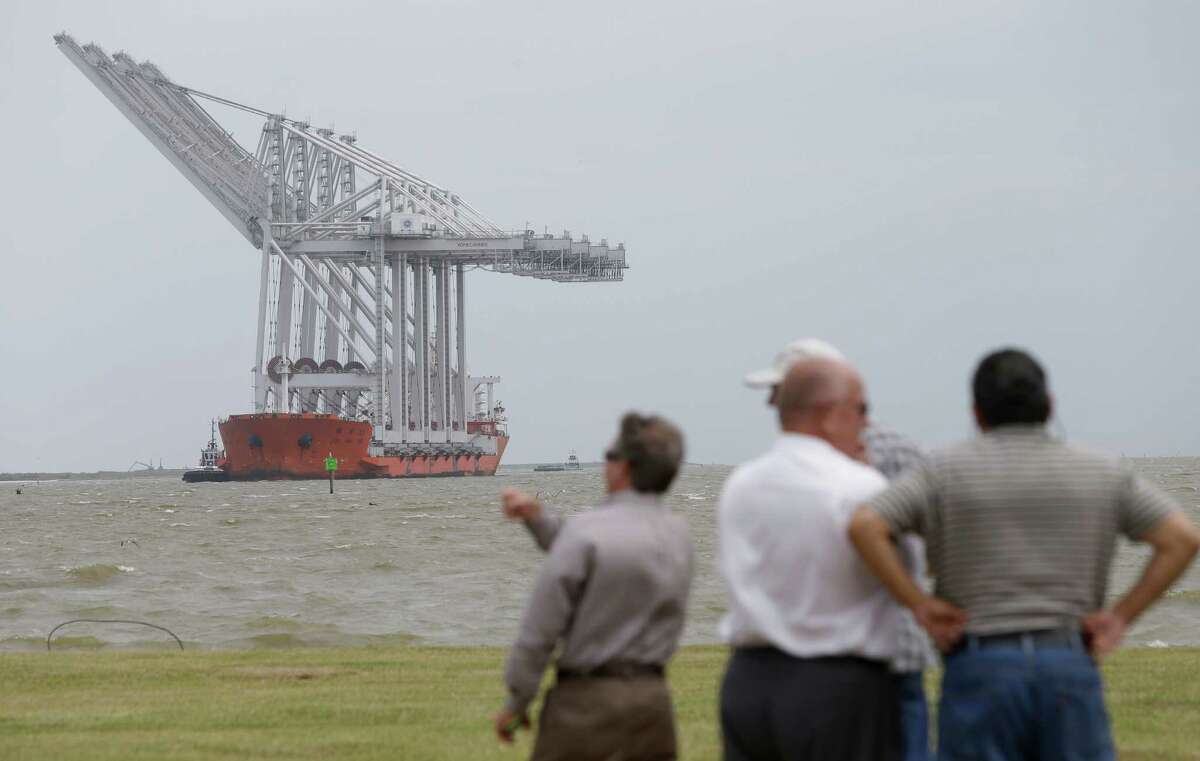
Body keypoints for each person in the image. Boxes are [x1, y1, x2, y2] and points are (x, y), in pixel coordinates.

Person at [849, 348, 1200, 760]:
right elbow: (1181, 539)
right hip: (1067, 660)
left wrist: (920, 605)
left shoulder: (943, 471)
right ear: (1049, 406)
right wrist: (1120, 617)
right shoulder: (1102, 471)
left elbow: (866, 525)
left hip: (980, 662)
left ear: (976, 413)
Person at [745, 338, 936, 761]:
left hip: (885, 648)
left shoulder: (887, 451)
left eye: (781, 390)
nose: (773, 403)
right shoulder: (898, 451)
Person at [494, 412, 694, 761]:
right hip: (653, 704)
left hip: (584, 706)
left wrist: (517, 700)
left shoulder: (585, 533)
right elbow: (609, 554)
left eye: (609, 456)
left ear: (623, 467)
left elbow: (539, 632)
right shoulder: (679, 536)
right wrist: (538, 520)